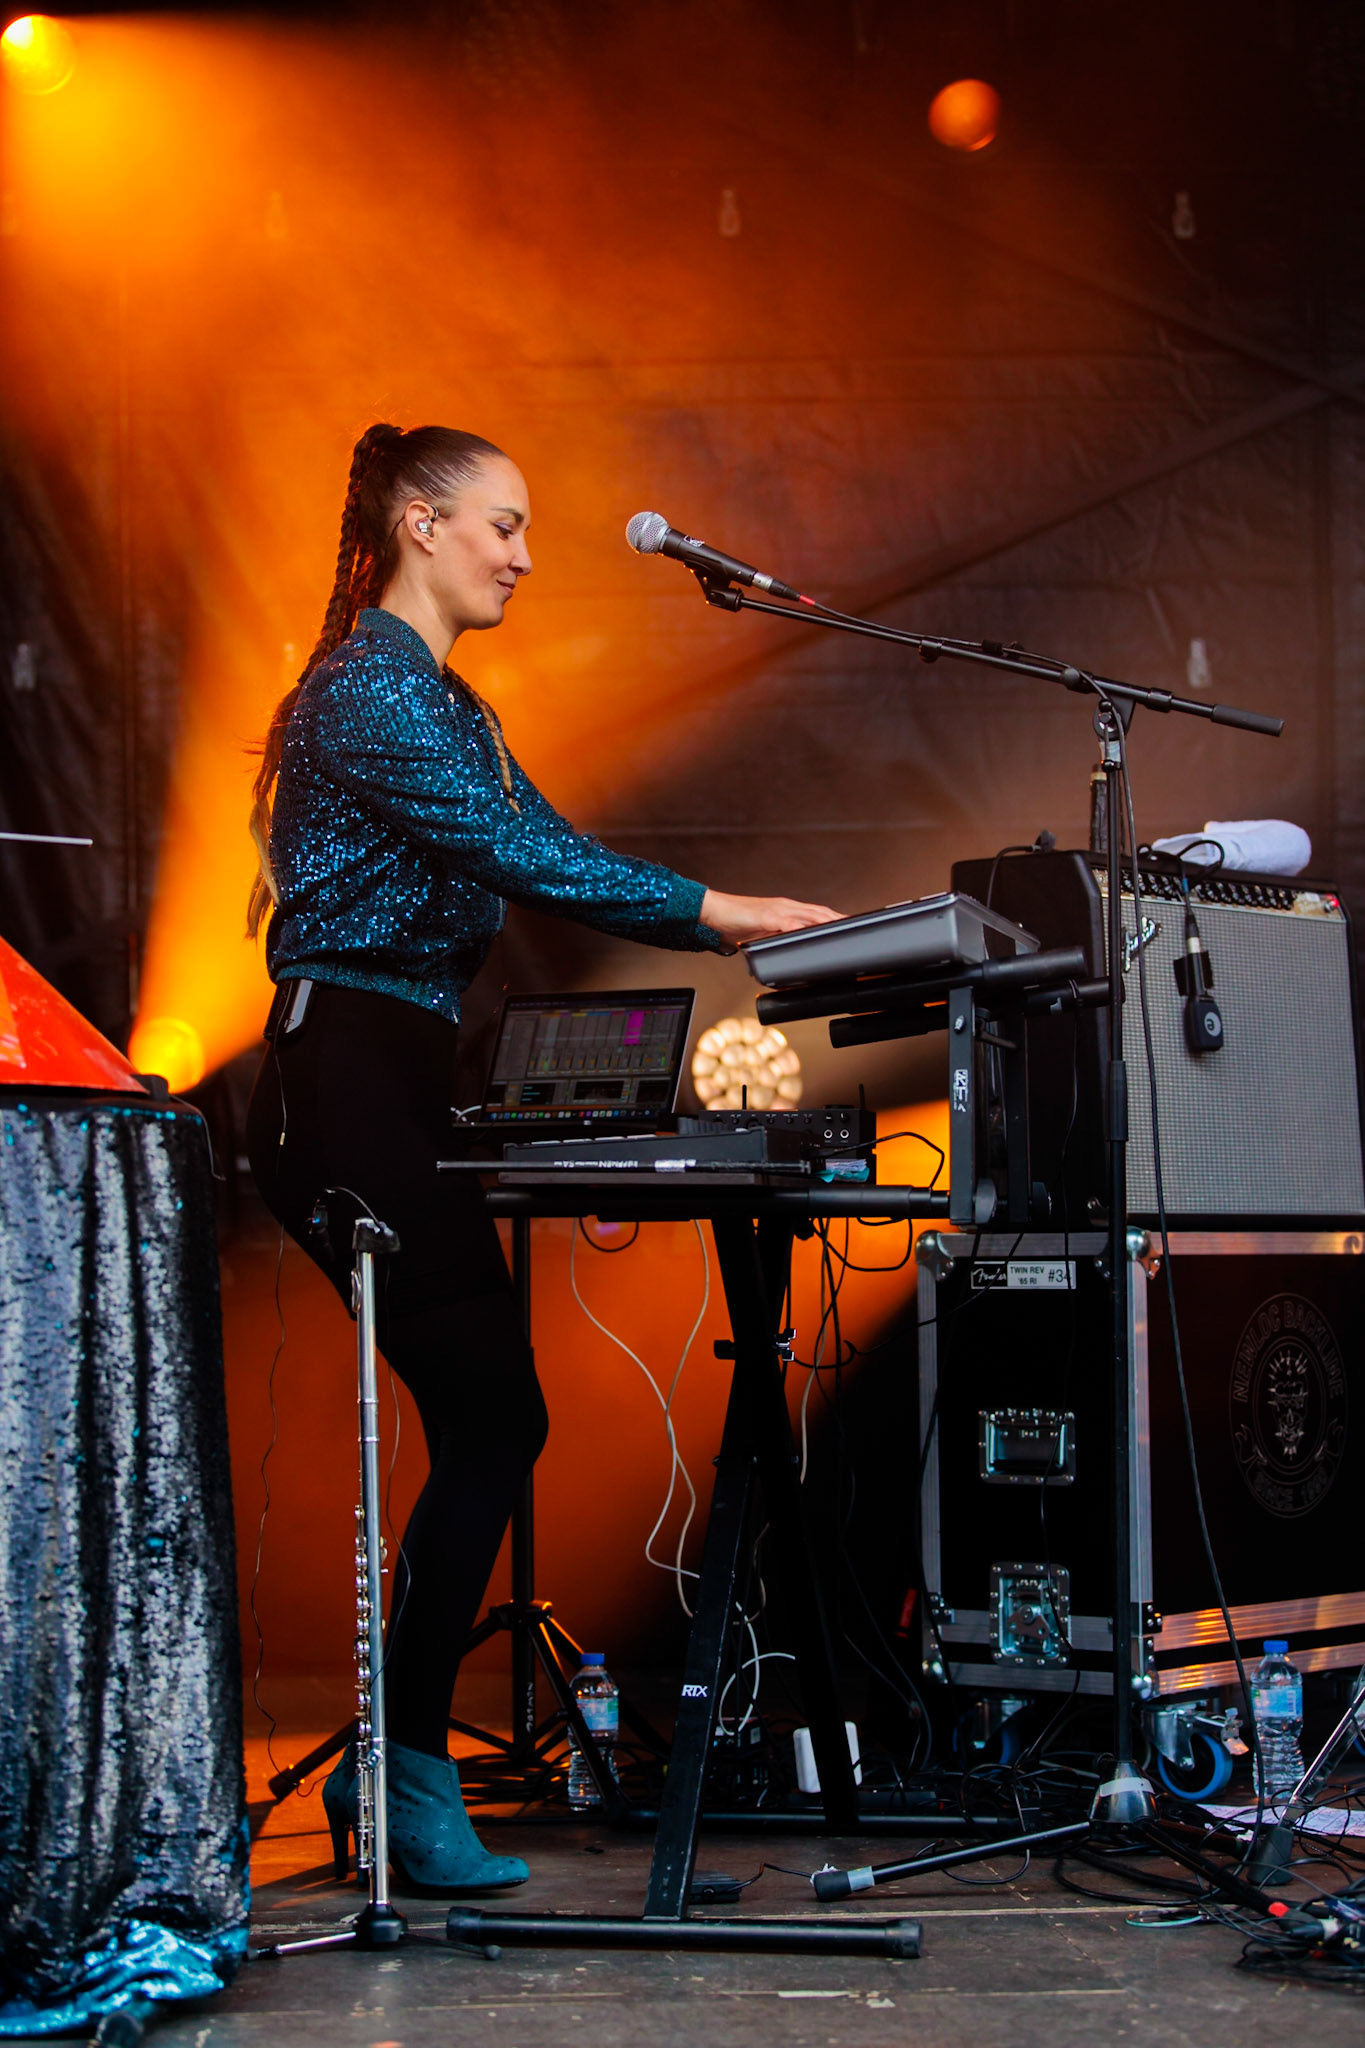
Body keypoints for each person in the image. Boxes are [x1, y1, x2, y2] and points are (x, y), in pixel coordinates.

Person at [244, 421, 840, 1894]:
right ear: (421, 523)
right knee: (497, 1419)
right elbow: (538, 866)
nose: (522, 556)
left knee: (495, 1421)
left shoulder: (452, 706)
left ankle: (403, 1773)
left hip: (404, 1072)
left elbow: (548, 840)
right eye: (503, 525)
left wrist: (714, 921)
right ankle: (404, 1778)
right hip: (340, 1078)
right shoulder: (367, 691)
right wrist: (729, 913)